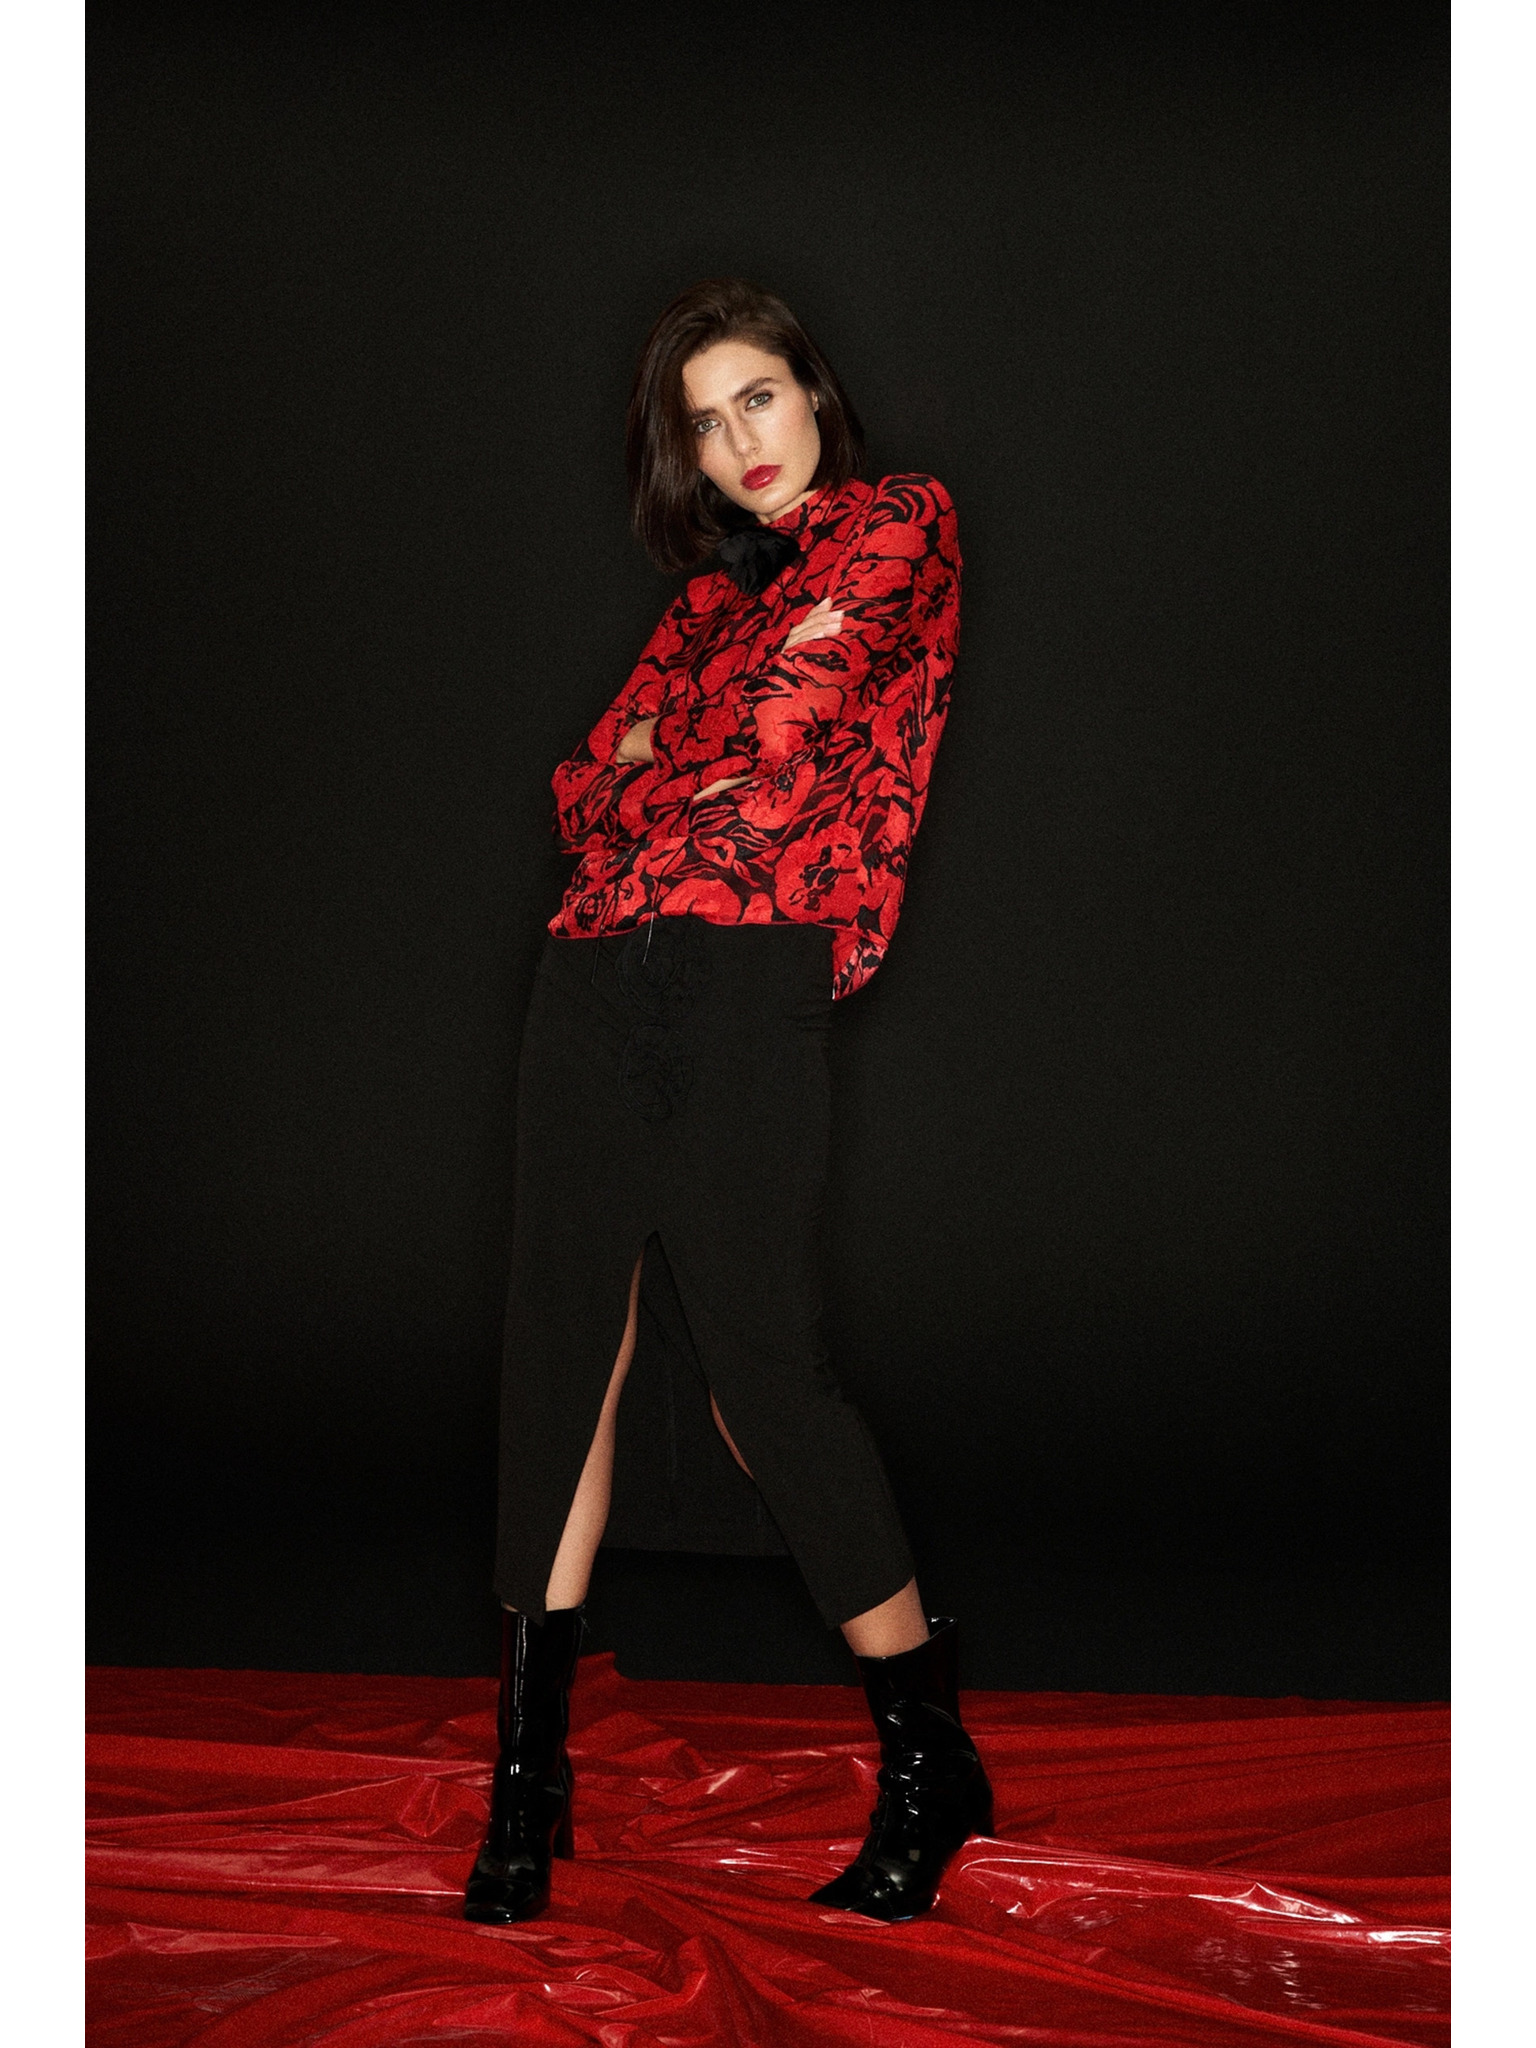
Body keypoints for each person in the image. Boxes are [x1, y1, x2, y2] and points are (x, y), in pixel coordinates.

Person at [464, 278, 990, 1929]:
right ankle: (527, 1789)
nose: (738, 443)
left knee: (766, 1372)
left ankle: (929, 1763)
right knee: (565, 1353)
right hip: (593, 973)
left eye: (757, 398)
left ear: (813, 395)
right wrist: (656, 756)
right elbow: (581, 788)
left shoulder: (901, 522)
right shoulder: (705, 599)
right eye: (704, 423)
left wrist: (667, 753)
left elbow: (784, 736)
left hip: (753, 975)